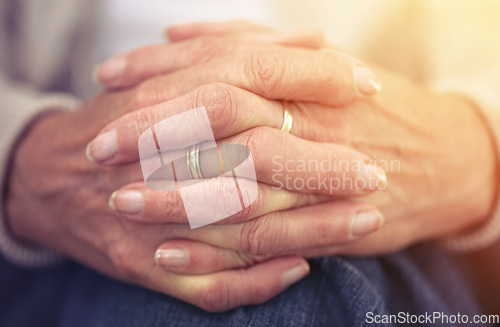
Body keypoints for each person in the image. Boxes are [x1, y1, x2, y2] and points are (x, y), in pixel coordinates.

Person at [0, 0, 499, 325]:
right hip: (53, 234)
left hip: (400, 213)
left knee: (295, 284)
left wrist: (469, 149)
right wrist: (25, 159)